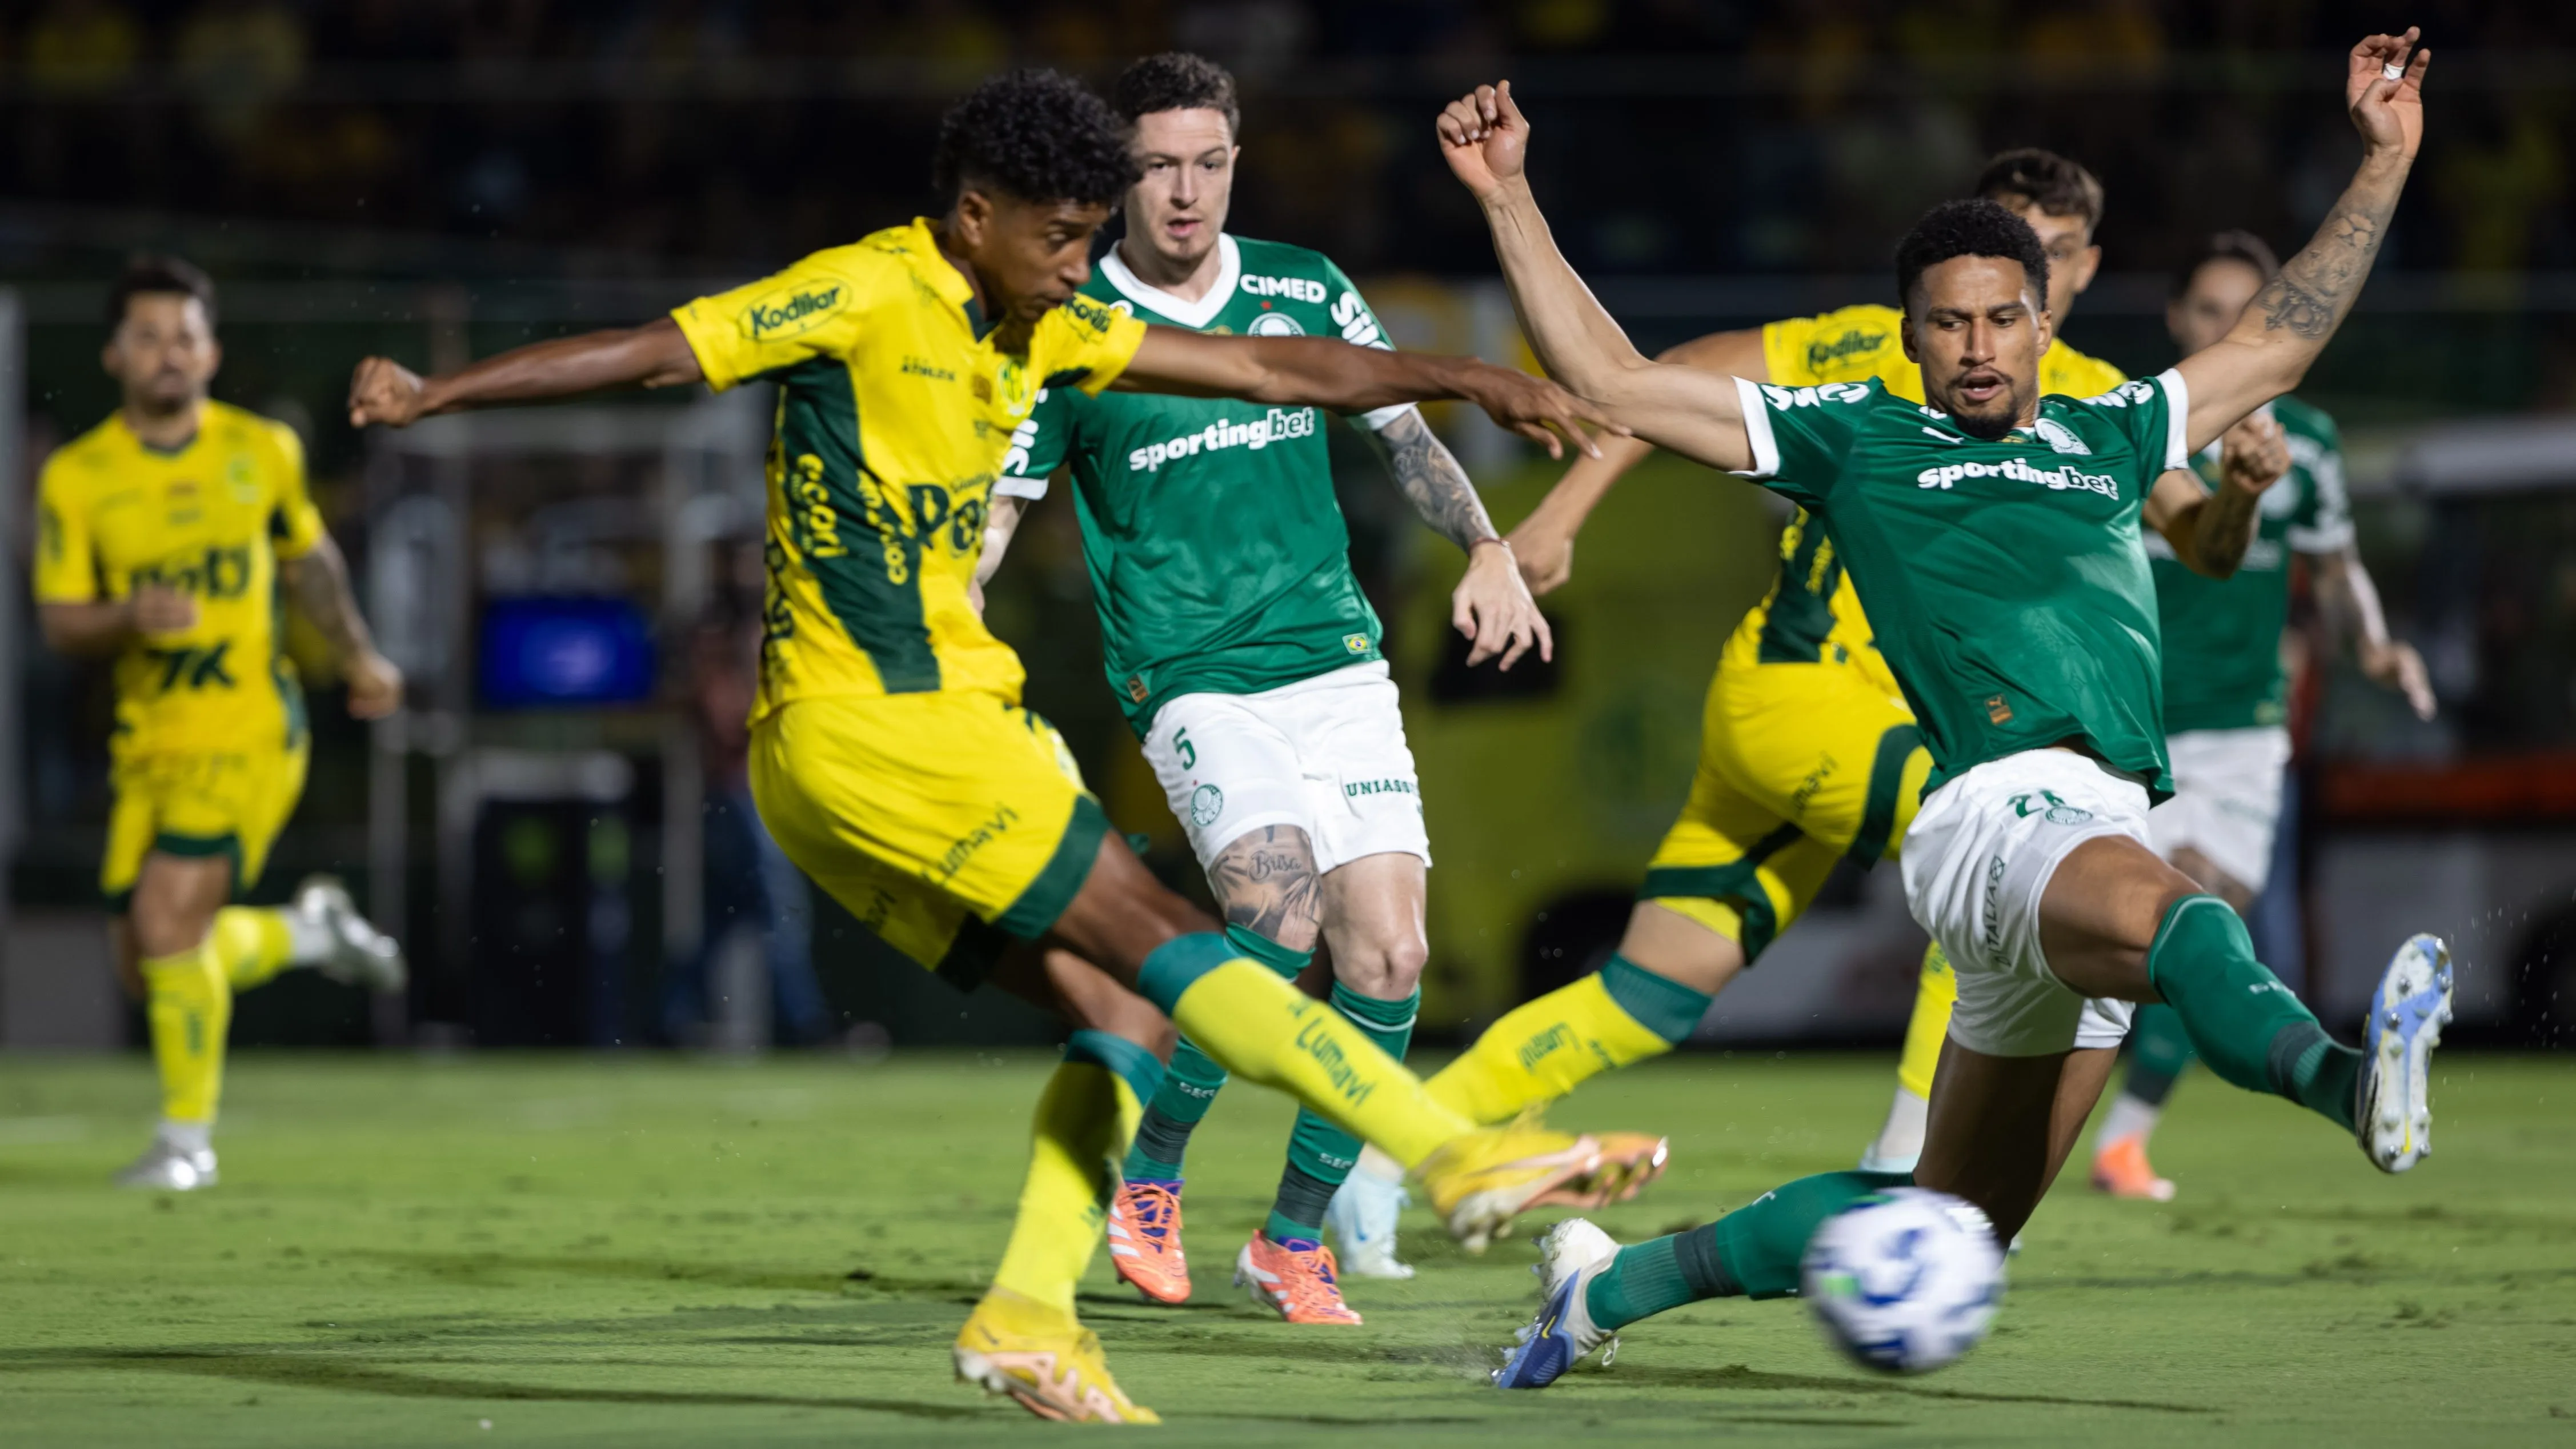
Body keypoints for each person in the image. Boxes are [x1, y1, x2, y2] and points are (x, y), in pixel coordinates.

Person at [346, 69, 1648, 1424]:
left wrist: (1472, 377)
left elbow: (1274, 367)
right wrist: (438, 397)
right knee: (1191, 942)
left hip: (881, 745)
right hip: (890, 729)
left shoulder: (1046, 326)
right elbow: (657, 350)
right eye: (1066, 236)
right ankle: (1455, 1157)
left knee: (1126, 1011)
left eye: (1098, 233)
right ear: (975, 217)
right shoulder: (861, 291)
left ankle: (1030, 1313)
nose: (1088, 263)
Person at [1427, 32, 2452, 1388]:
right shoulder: (1857, 438)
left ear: (2046, 318)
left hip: (2079, 828)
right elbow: (1613, 382)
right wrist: (1507, 198)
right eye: (1947, 321)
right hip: (1993, 813)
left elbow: (2280, 341)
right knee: (2185, 910)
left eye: (2000, 316)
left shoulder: (2113, 430)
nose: (1975, 347)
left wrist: (2383, 160)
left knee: (1946, 1223)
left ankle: (1603, 1284)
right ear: (1911, 333)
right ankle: (2349, 1086)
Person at [1335, 146, 2217, 1215]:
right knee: (2009, 858)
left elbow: (2204, 540)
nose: (2026, 273)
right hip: (1813, 698)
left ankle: (1380, 1161)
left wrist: (2244, 494)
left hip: (1800, 723)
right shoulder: (1877, 345)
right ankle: (1917, 1190)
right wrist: (1561, 514)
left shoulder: (2095, 402)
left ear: (2074, 269)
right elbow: (1674, 375)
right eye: (1999, 238)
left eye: (2056, 254)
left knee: (1647, 993)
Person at [976, 53, 1661, 1319]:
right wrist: (947, 645)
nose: (1185, 192)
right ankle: (1154, 1177)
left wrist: (1489, 548)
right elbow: (1000, 514)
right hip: (1188, 674)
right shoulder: (1067, 324)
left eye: (1209, 163)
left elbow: (1401, 435)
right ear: (1116, 174)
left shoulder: (1304, 286)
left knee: (1389, 954)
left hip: (1334, 662)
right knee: (1274, 915)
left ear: (1236, 161)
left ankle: (1291, 1238)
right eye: (1158, 165)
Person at [35, 255, 408, 1192]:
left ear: (212, 352)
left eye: (187, 336)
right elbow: (60, 619)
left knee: (166, 922)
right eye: (151, 336)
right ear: (116, 355)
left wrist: (359, 655)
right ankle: (310, 935)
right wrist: (127, 616)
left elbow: (312, 564)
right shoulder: (76, 478)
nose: (171, 353)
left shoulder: (261, 451)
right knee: (148, 962)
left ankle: (184, 1143)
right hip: (146, 740)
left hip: (246, 726)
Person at [2089, 230, 2438, 1200]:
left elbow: (2334, 571)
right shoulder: (2127, 431)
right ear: (2175, 319)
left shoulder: (2309, 446)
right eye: (2208, 311)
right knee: (2148, 948)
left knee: (2199, 932)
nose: (2226, 331)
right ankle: (2041, 1150)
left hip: (2244, 733)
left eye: (2249, 313)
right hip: (2128, 731)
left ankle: (2118, 1145)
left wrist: (2372, 645)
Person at [656, 543, 834, 1048]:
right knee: (782, 909)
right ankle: (804, 1023)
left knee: (726, 915)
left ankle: (669, 1014)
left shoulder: (768, 620)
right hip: (739, 786)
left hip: (757, 783)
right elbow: (721, 709)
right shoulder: (718, 629)